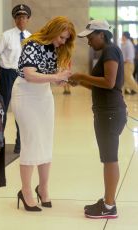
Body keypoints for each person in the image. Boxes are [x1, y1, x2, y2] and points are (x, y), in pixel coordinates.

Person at [11, 16, 76, 211]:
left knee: (46, 141)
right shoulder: (32, 44)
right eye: (62, 37)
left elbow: (47, 76)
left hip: (44, 95)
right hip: (25, 94)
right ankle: (26, 190)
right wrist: (56, 76)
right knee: (31, 141)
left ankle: (44, 188)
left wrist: (59, 80)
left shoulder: (55, 49)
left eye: (66, 39)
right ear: (54, 30)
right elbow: (29, 74)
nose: (63, 42)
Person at [69, 19, 127, 219]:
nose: (88, 41)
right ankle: (108, 199)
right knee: (108, 158)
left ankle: (109, 207)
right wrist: (81, 83)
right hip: (107, 112)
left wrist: (81, 75)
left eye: (90, 37)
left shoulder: (110, 51)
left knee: (110, 159)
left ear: (101, 34)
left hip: (110, 113)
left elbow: (109, 82)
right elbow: (101, 85)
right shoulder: (109, 51)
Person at [0, 4, 31, 153]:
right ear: (15, 19)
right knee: (2, 109)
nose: (21, 20)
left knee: (22, 110)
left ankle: (20, 144)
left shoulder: (30, 37)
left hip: (23, 75)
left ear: (28, 20)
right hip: (8, 74)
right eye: (18, 17)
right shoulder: (6, 35)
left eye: (24, 17)